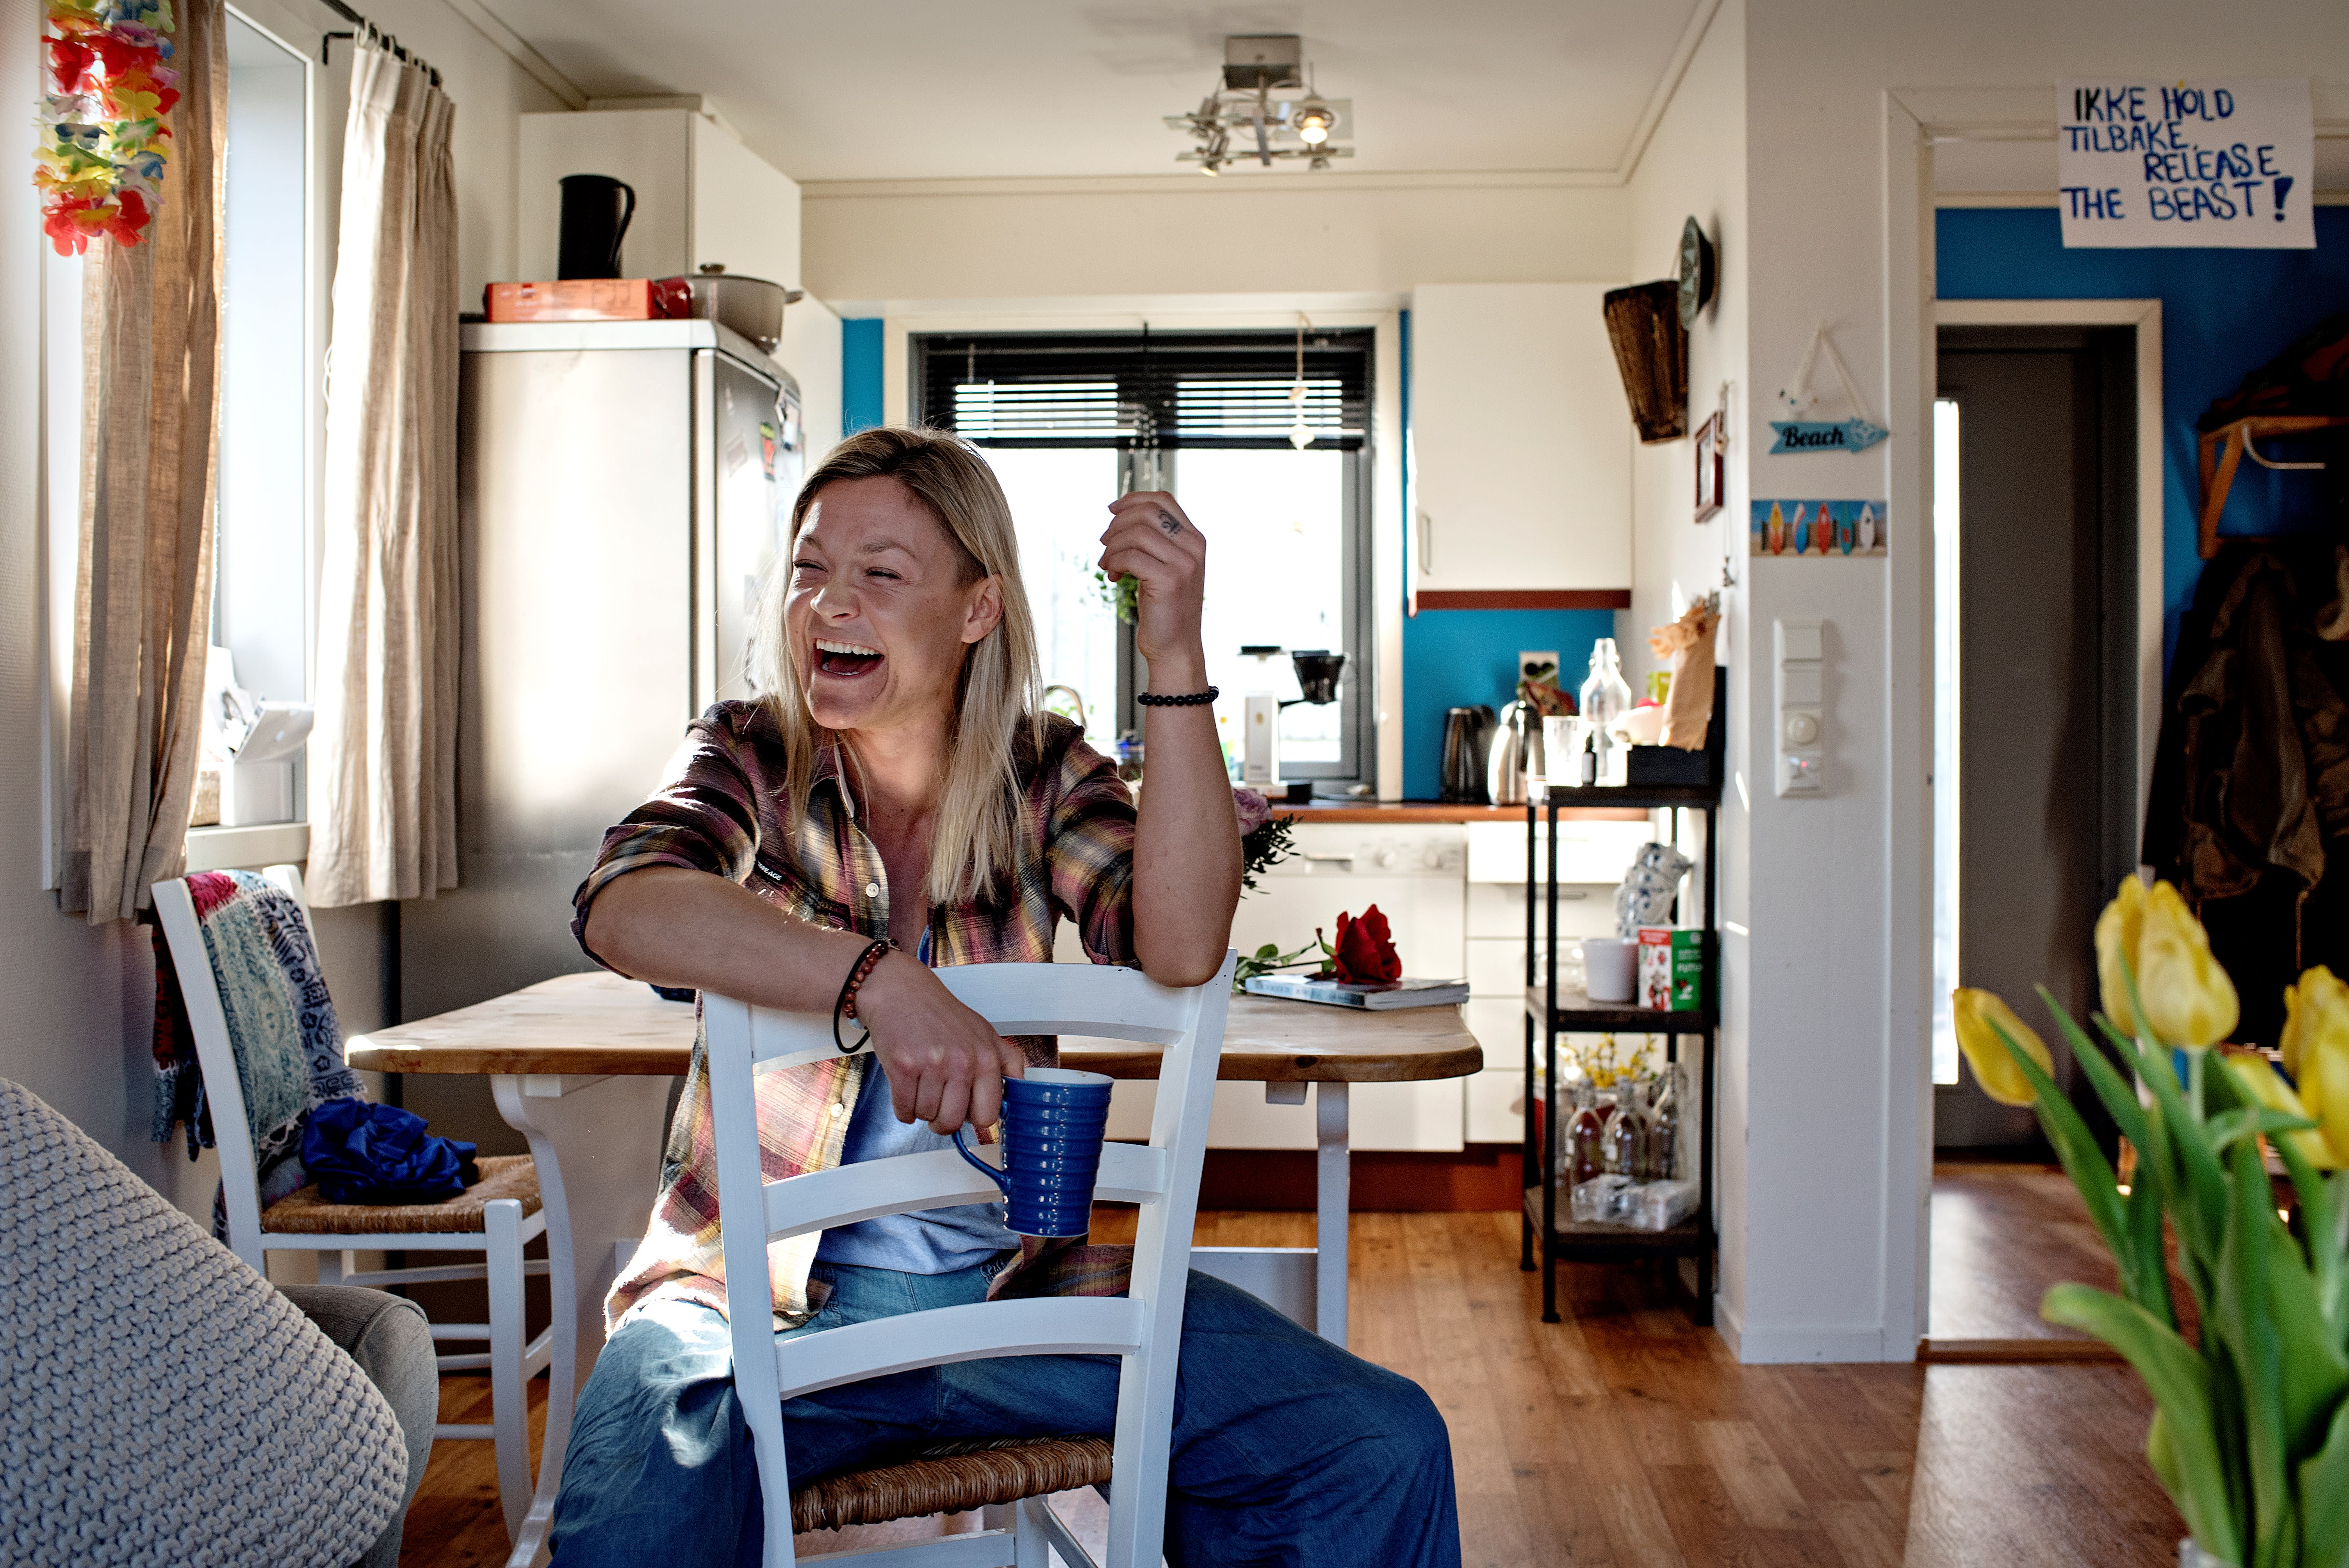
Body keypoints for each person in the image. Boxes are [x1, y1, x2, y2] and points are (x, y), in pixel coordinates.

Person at [547, 426, 1460, 1567]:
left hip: (1016, 1300)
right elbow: (624, 902)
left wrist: (1174, 644)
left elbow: (1179, 944)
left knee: (1373, 1444)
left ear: (978, 609)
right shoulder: (751, 756)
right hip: (744, 1307)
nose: (830, 602)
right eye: (810, 568)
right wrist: (881, 981)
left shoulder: (1043, 773)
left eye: (881, 573)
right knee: (640, 1499)